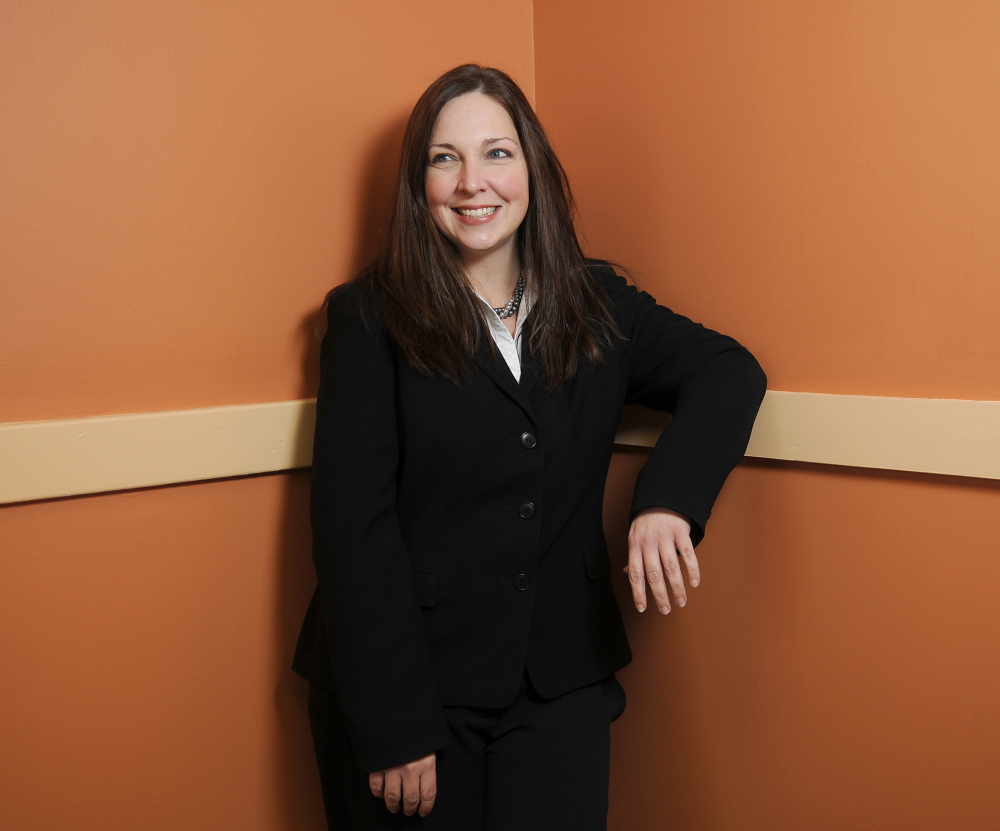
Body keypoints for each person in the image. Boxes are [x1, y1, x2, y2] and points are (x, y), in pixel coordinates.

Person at [293, 64, 766, 830]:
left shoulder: (598, 301)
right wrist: (394, 725)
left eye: (497, 153)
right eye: (444, 158)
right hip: (414, 692)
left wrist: (668, 501)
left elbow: (730, 371)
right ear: (419, 185)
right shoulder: (368, 319)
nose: (473, 182)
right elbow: (354, 532)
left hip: (559, 683)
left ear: (533, 169)